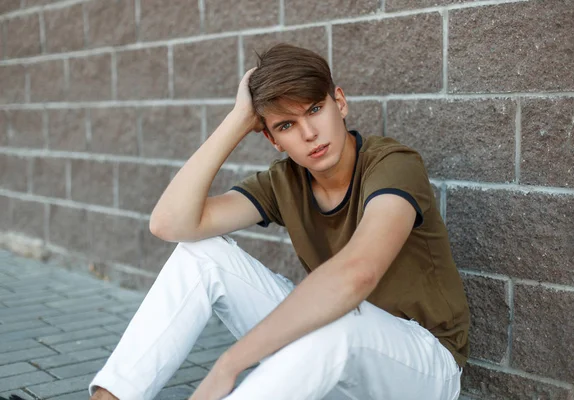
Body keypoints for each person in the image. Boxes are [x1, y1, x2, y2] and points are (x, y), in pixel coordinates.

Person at [88, 43, 470, 400]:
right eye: (286, 126)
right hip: (327, 360)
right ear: (273, 139)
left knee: (340, 320)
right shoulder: (285, 181)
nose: (309, 134)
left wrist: (230, 363)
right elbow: (170, 224)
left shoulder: (392, 164)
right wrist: (239, 119)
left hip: (421, 366)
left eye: (315, 110)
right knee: (201, 254)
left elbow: (357, 275)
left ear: (339, 102)